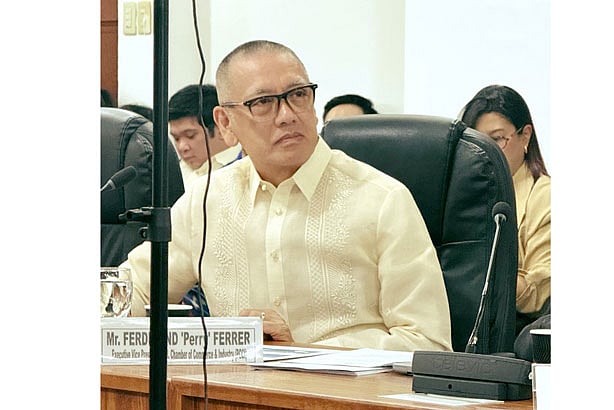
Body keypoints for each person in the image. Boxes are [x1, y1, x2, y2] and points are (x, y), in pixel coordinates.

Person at [122, 40, 452, 351]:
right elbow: (133, 292)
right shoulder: (207, 200)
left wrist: (307, 352)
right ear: (225, 123)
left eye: (298, 95)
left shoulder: (382, 200)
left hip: (343, 389)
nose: (287, 115)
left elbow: (426, 343)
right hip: (233, 386)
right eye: (263, 103)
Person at [459, 85, 551, 336]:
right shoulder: (462, 196)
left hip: (514, 330)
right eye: (476, 142)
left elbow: (536, 293)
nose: (485, 152)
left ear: (525, 136)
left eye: (497, 139)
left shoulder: (546, 196)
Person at [168, 84, 242, 189]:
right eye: (176, 138)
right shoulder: (170, 173)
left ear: (221, 126)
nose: (182, 147)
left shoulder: (244, 169)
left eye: (190, 136)